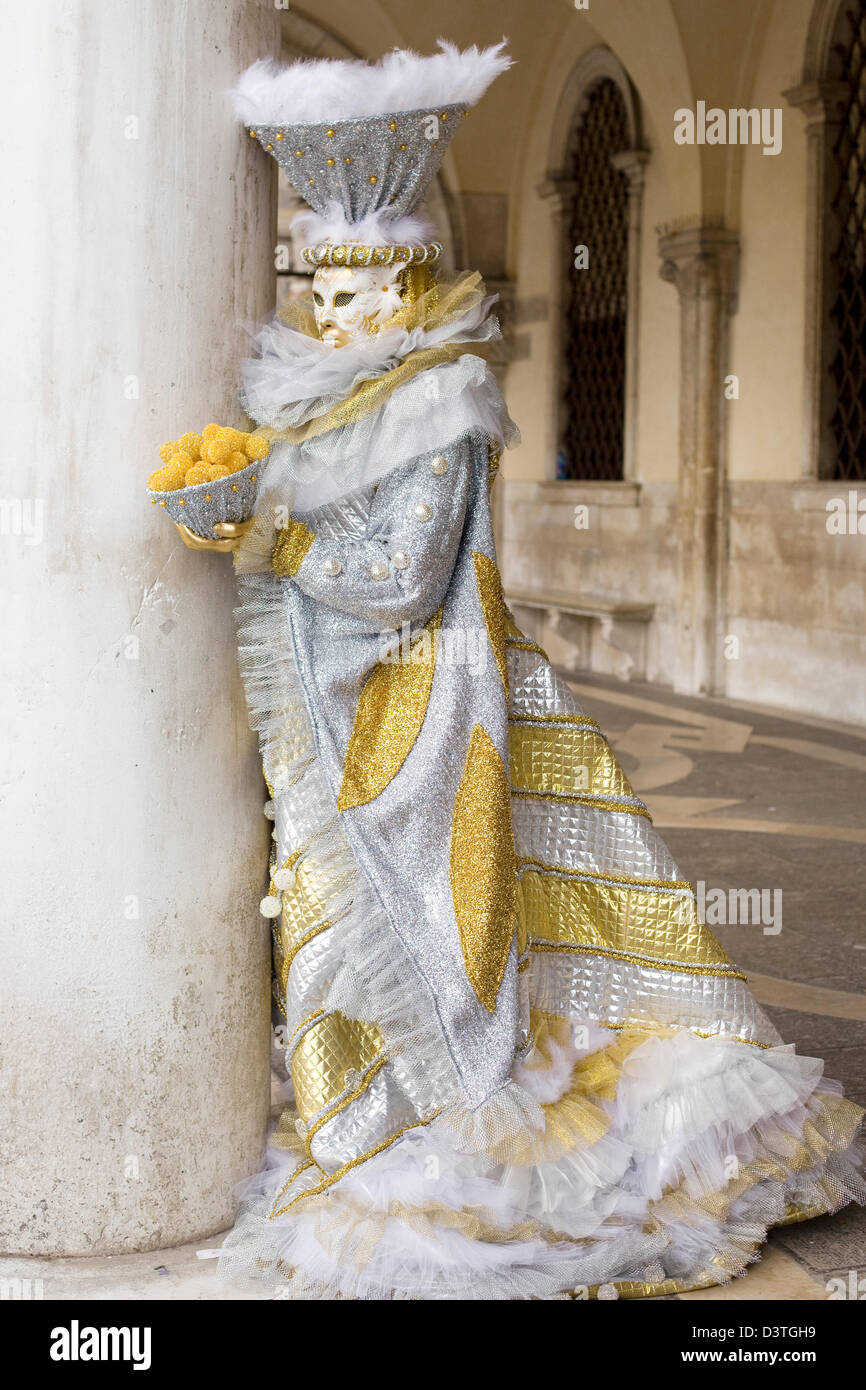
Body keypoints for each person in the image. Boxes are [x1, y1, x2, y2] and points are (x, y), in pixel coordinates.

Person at [180, 42, 864, 1300]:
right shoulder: (320, 407)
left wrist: (266, 528)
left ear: (409, 282)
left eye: (364, 291)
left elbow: (396, 571)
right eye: (324, 298)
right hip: (351, 728)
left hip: (434, 720)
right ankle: (370, 1138)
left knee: (447, 938)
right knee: (339, 945)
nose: (341, 318)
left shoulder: (442, 400)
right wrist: (238, 507)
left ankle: (435, 1153)